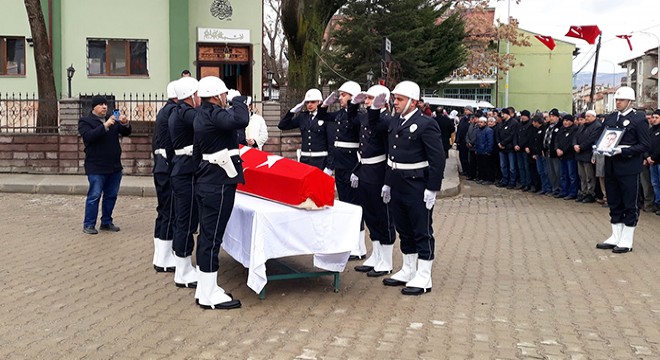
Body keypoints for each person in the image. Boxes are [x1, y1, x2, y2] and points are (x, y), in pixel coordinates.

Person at [381, 81, 445, 296]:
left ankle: (424, 274)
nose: (395, 103)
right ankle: (408, 269)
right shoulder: (395, 122)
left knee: (422, 230)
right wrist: (388, 183)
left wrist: (432, 188)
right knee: (404, 229)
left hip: (417, 184)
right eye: (395, 99)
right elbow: (392, 156)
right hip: (398, 183)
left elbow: (437, 160)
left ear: (413, 102)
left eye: (399, 99)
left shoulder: (426, 124)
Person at [193, 75, 247, 310]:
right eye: (224, 94)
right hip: (218, 182)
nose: (226, 97)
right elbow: (241, 119)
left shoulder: (201, 115)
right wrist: (238, 101)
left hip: (207, 180)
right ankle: (208, 294)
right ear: (216, 96)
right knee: (212, 237)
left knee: (207, 236)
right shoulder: (215, 115)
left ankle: (205, 287)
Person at [596, 86, 650, 253]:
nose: (618, 102)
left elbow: (644, 145)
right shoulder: (611, 118)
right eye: (617, 100)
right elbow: (605, 137)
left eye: (621, 100)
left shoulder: (639, 119)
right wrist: (599, 147)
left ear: (630, 101)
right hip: (611, 166)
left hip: (628, 167)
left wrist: (624, 150)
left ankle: (626, 239)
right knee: (614, 201)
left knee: (629, 203)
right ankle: (615, 236)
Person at [318, 81, 367, 260]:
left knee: (355, 204)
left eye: (343, 95)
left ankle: (359, 245)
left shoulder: (358, 115)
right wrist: (324, 104)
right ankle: (352, 243)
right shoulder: (340, 114)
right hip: (340, 162)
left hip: (351, 160)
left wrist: (357, 169)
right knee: (346, 202)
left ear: (353, 97)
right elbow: (321, 117)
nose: (340, 98)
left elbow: (358, 132)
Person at [351, 85, 396, 277]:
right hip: (365, 169)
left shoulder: (387, 120)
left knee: (383, 215)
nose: (367, 102)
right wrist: (353, 104)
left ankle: (386, 260)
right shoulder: (367, 117)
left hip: (379, 170)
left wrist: (388, 180)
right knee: (369, 214)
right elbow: (352, 121)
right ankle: (376, 255)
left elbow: (389, 152)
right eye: (366, 99)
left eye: (370, 99)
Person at [78, 95, 132, 234]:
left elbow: (126, 132)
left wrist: (125, 123)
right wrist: (105, 125)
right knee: (94, 195)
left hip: (114, 166)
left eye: (105, 104)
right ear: (94, 107)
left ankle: (106, 222)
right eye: (101, 104)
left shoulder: (112, 119)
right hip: (96, 166)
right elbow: (89, 137)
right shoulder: (85, 121)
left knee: (111, 195)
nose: (104, 107)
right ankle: (89, 224)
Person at [168, 76, 200, 288]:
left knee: (185, 220)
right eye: (198, 94)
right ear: (191, 96)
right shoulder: (186, 112)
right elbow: (204, 123)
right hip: (186, 171)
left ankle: (184, 266)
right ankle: (183, 270)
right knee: (186, 221)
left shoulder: (178, 111)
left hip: (182, 168)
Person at [151, 81, 178, 272]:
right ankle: (164, 257)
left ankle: (161, 255)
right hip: (167, 166)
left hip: (161, 164)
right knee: (168, 211)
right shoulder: (172, 112)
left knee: (164, 211)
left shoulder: (164, 111)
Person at [278, 89, 335, 171]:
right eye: (307, 102)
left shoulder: (326, 118)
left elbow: (331, 144)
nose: (309, 105)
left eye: (312, 102)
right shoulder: (303, 117)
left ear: (319, 102)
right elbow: (282, 126)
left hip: (320, 160)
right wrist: (292, 112)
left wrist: (329, 166)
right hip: (305, 160)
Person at [573, 109, 602, 203]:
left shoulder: (597, 126)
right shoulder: (583, 126)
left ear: (594, 117)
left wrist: (581, 147)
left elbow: (591, 139)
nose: (586, 118)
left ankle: (590, 193)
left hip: (587, 154)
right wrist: (575, 145)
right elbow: (575, 136)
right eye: (586, 116)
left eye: (589, 116)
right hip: (579, 154)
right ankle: (583, 192)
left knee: (589, 176)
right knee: (582, 175)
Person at [554, 114, 578, 200]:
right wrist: (557, 149)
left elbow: (571, 143)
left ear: (571, 121)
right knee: (563, 175)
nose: (565, 122)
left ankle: (572, 192)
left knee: (571, 175)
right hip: (561, 156)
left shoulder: (575, 130)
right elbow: (556, 140)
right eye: (564, 120)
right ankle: (563, 191)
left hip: (570, 156)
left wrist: (563, 151)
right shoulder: (561, 129)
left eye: (567, 121)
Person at [495, 108, 519, 189]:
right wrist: (499, 143)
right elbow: (497, 134)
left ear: (507, 114)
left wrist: (503, 143)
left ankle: (512, 182)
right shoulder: (502, 123)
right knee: (503, 165)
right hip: (502, 148)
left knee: (512, 166)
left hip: (510, 148)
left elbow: (512, 135)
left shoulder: (514, 123)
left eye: (503, 114)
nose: (502, 116)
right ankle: (505, 180)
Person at [543, 109, 562, 196]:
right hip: (548, 152)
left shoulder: (560, 126)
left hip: (555, 153)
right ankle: (553, 188)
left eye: (553, 116)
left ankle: (558, 189)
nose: (551, 118)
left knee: (557, 172)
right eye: (550, 116)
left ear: (557, 117)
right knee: (551, 172)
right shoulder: (548, 126)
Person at [514, 110, 533, 191]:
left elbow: (529, 137)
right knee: (520, 167)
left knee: (526, 167)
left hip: (525, 149)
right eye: (522, 115)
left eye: (524, 115)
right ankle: (523, 182)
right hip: (518, 149)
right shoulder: (519, 124)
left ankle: (528, 184)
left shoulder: (530, 125)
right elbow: (515, 135)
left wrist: (522, 145)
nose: (523, 117)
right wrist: (515, 144)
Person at [647, 109, 660, 215]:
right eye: (653, 117)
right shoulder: (650, 131)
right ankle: (657, 203)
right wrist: (647, 157)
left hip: (658, 160)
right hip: (652, 162)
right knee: (655, 184)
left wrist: (653, 157)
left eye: (657, 118)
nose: (654, 120)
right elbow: (646, 144)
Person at [475, 116, 494, 184]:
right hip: (479, 150)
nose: (479, 123)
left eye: (481, 122)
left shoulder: (489, 130)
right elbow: (477, 140)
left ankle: (488, 179)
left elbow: (490, 142)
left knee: (487, 166)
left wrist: (488, 150)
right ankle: (482, 178)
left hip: (485, 151)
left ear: (485, 123)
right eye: (479, 122)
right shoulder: (478, 130)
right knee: (481, 166)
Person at [456, 106, 473, 176]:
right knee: (461, 156)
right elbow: (459, 128)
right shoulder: (463, 119)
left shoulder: (471, 119)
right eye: (465, 110)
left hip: (467, 140)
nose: (465, 111)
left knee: (466, 157)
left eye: (466, 110)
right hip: (461, 140)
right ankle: (464, 169)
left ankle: (468, 171)